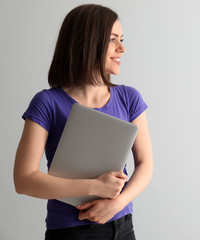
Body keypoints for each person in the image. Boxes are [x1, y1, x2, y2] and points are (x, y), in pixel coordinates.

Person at [13, 4, 153, 240]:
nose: (122, 48)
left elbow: (146, 165)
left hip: (123, 226)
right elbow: (24, 180)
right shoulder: (47, 102)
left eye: (121, 39)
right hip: (71, 231)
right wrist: (94, 187)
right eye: (112, 39)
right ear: (89, 42)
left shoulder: (129, 97)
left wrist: (117, 203)